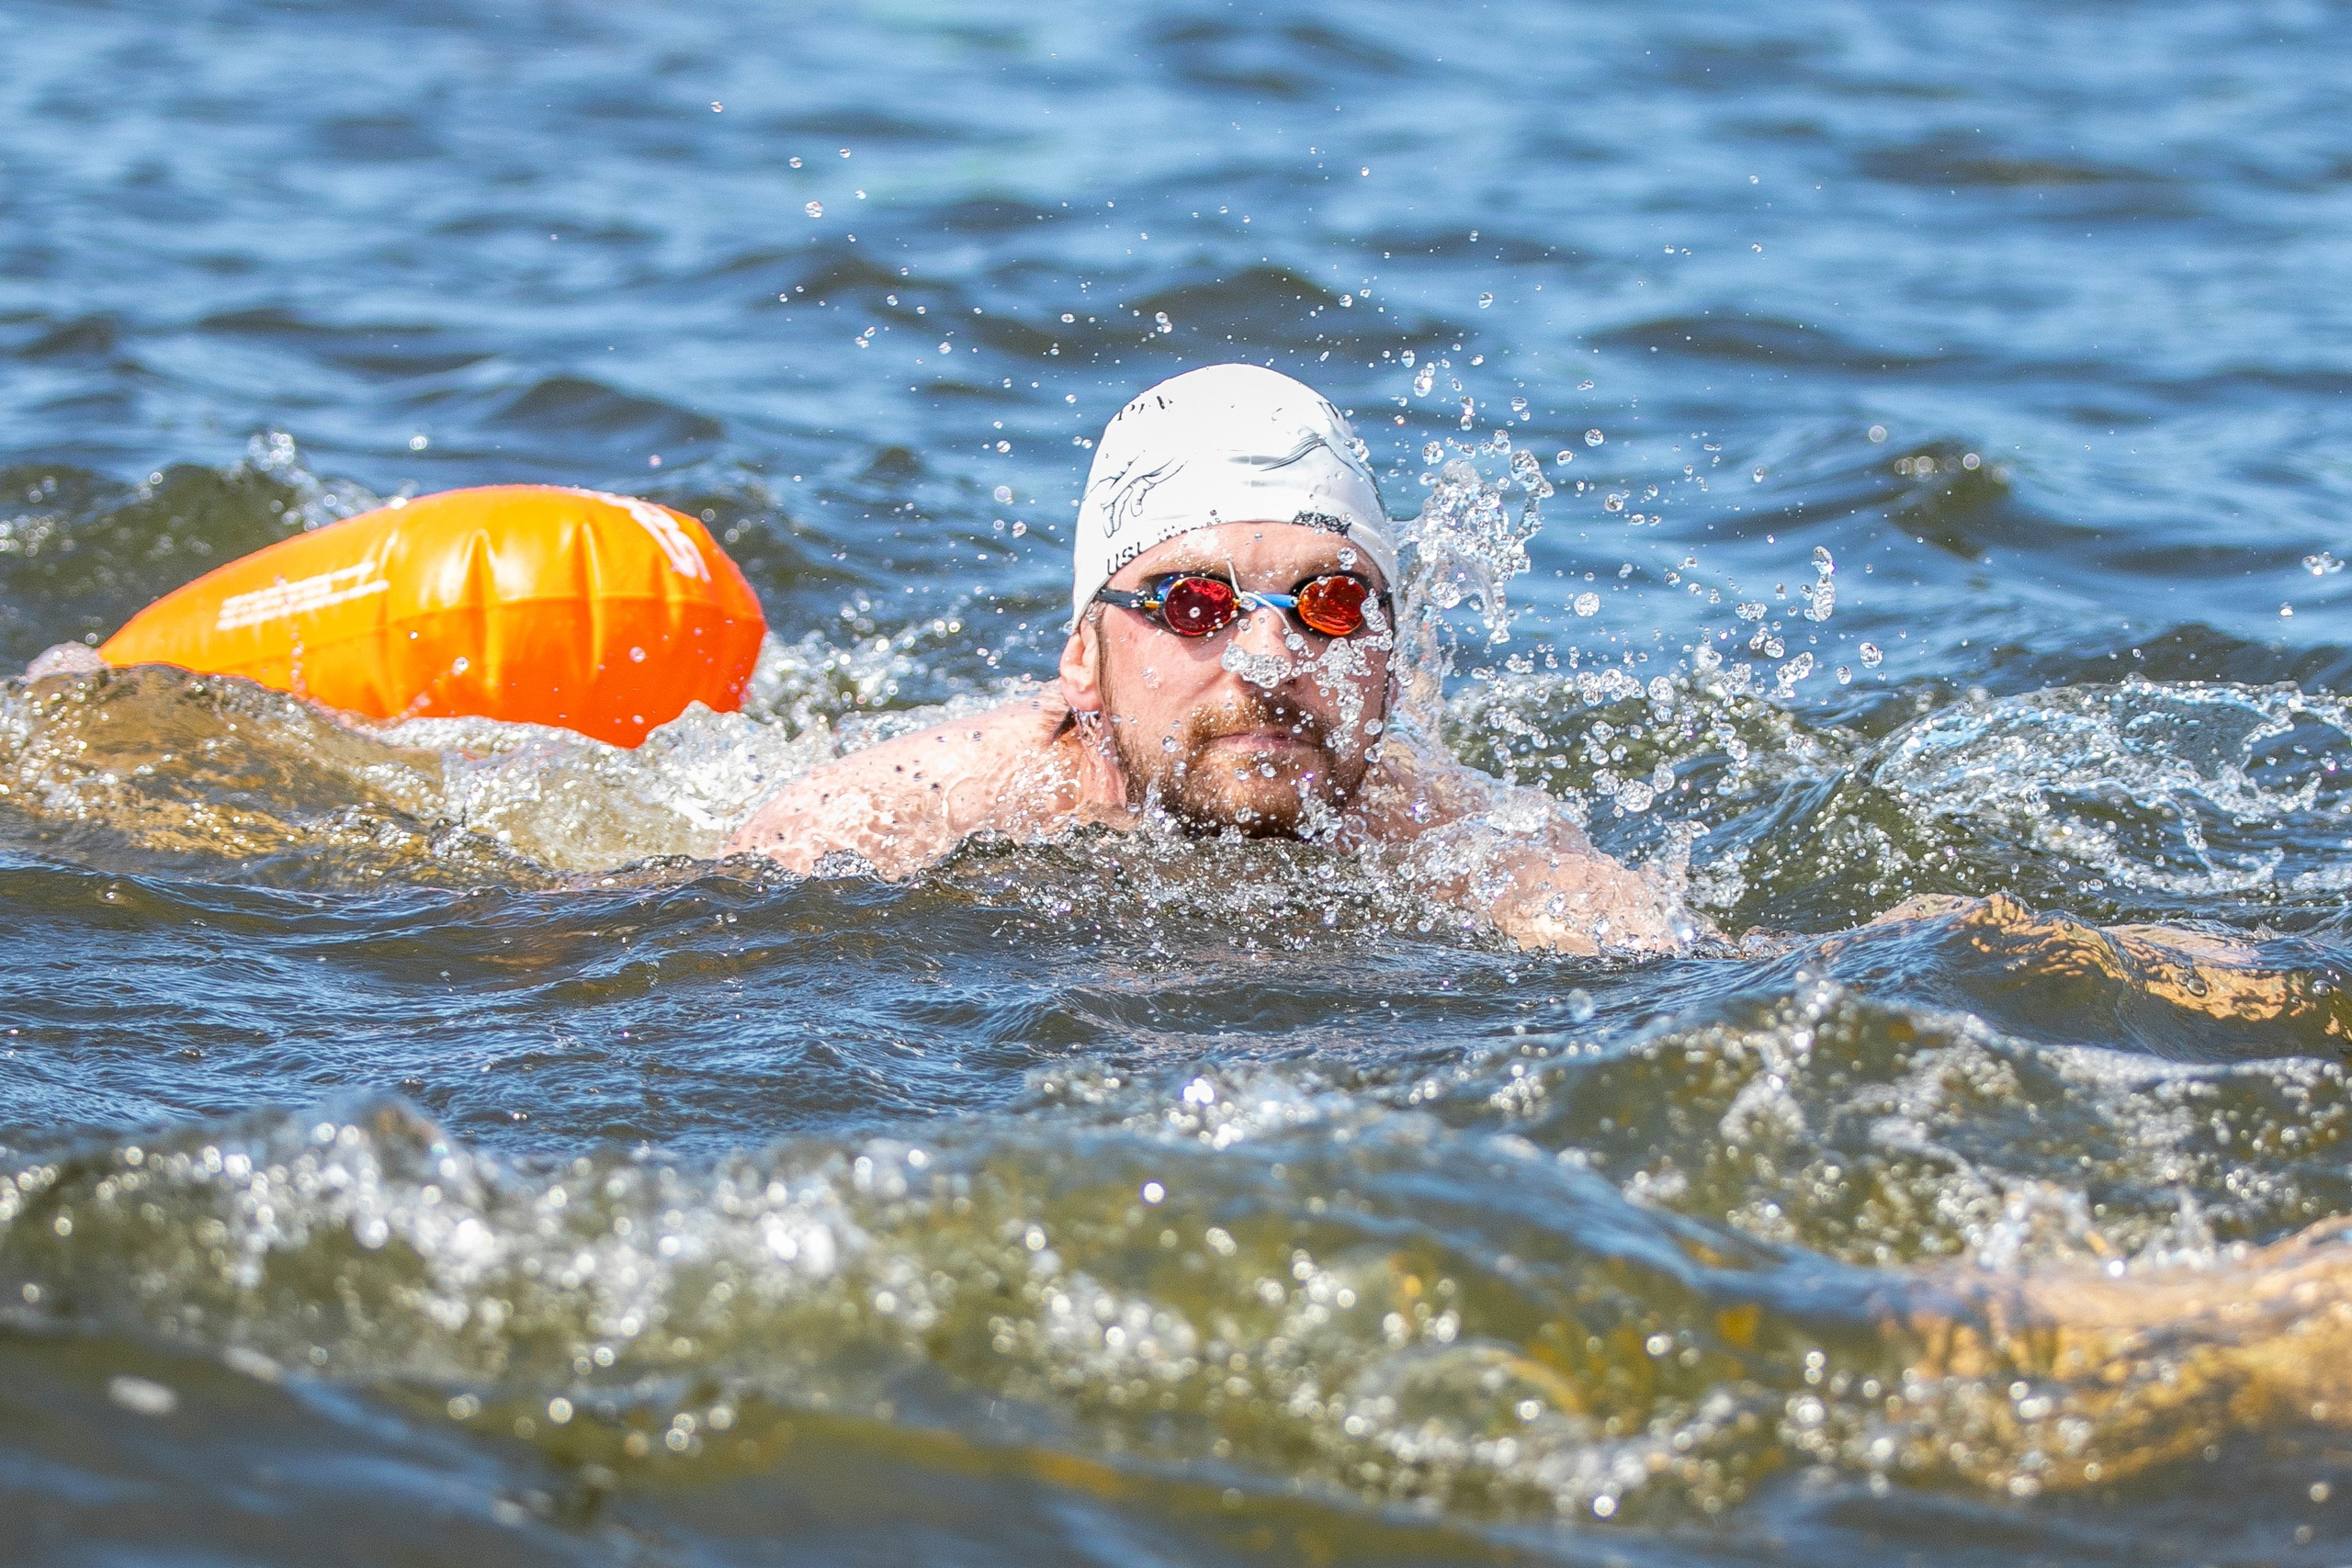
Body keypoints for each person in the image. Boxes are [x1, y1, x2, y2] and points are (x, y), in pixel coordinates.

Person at [726, 364, 1690, 955]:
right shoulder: (893, 818)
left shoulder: (1459, 837)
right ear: (1081, 660)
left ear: (1389, 665)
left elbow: (1678, 977)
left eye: (1332, 603)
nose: (1270, 658)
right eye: (1197, 605)